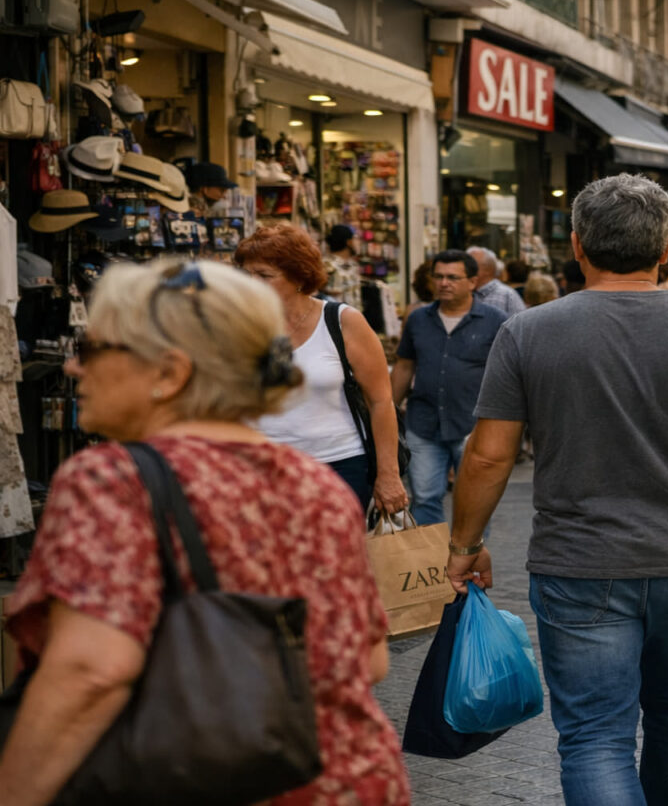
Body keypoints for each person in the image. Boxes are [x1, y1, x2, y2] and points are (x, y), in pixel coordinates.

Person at [446, 174, 668, 805]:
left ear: (579, 246)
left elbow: (487, 457)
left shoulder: (528, 332)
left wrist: (464, 544)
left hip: (579, 566)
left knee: (594, 736)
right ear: (667, 248)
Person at [0, 259, 407, 804]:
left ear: (170, 373)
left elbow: (90, 670)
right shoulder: (320, 487)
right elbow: (370, 660)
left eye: (96, 349)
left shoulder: (113, 480)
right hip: (346, 780)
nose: (74, 368)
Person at [235, 224, 408, 516]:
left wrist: (388, 474)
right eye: (246, 274)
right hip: (260, 468)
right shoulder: (236, 325)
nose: (251, 283)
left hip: (339, 467)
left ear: (299, 277)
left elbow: (380, 401)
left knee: (335, 558)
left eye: (264, 275)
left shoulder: (342, 322)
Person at [390, 250, 508, 525]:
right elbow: (405, 366)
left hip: (474, 425)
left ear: (472, 282)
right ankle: (433, 565)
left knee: (475, 502)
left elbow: (506, 375)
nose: (444, 283)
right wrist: (388, 413)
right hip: (424, 423)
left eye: (453, 277)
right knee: (425, 497)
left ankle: (469, 561)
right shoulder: (418, 319)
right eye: (439, 277)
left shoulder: (495, 321)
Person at [467, 246, 528, 317]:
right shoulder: (463, 292)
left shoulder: (507, 295)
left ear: (487, 269)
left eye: (470, 266)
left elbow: (521, 325)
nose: (465, 270)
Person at [322, 225, 363, 309]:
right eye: (355, 239)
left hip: (354, 318)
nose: (358, 242)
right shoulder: (327, 265)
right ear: (349, 242)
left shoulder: (353, 265)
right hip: (334, 318)